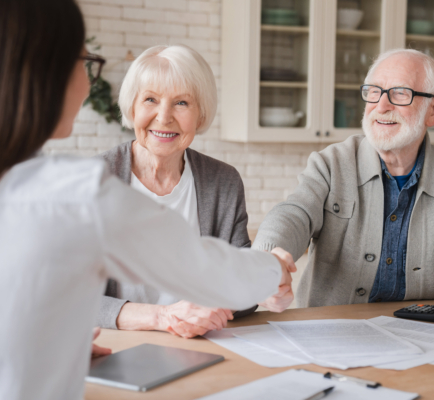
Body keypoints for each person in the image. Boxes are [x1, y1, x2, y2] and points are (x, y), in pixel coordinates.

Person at [0, 1, 296, 399]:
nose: (88, 83)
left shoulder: (39, 188)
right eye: (84, 63)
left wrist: (47, 343)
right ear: (43, 72)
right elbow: (200, 266)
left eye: (182, 102)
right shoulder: (78, 191)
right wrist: (272, 269)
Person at [253, 48, 434, 350]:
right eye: (374, 92)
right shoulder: (331, 163)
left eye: (400, 94)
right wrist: (266, 256)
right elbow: (294, 212)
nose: (381, 106)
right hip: (331, 336)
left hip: (431, 342)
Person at [97, 45, 290, 339]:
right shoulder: (94, 182)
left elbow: (236, 288)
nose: (164, 117)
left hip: (202, 345)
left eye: (182, 103)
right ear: (132, 107)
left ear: (200, 115)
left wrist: (262, 285)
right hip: (117, 345)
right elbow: (67, 298)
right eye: (151, 99)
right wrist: (163, 317)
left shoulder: (223, 182)